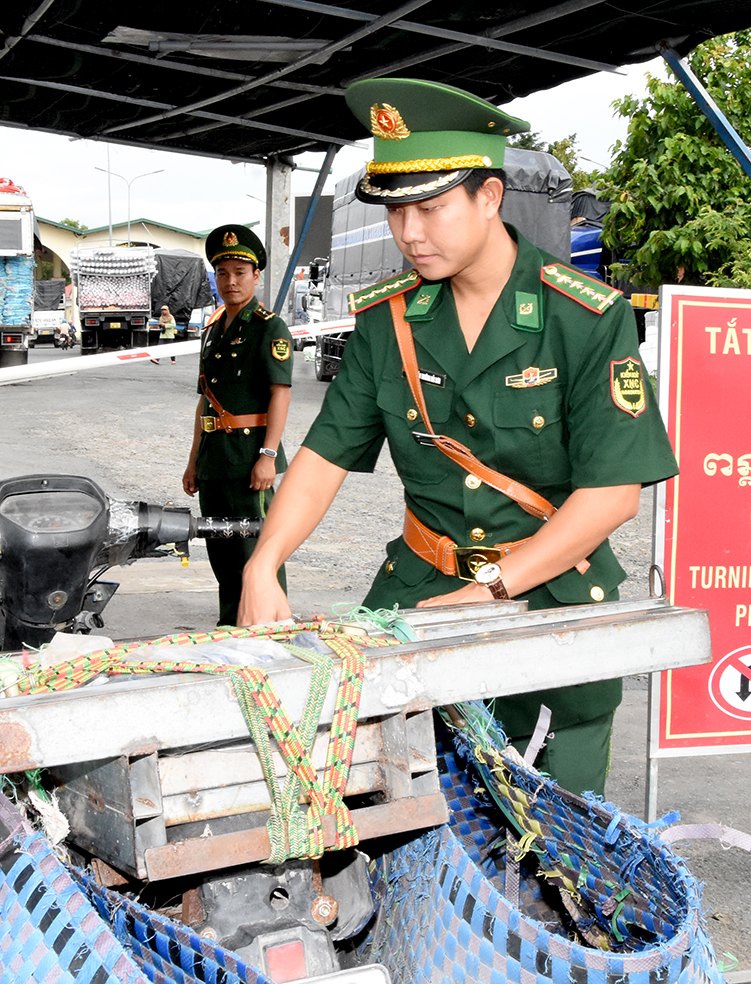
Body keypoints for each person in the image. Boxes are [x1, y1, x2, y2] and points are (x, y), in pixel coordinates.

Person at [237, 79, 678, 797]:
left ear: (490, 198)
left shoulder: (583, 317)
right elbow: (321, 459)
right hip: (423, 590)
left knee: (550, 847)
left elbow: (612, 495)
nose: (410, 233)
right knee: (396, 812)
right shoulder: (391, 320)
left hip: (550, 598)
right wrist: (265, 563)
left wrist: (496, 584)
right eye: (395, 213)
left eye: (431, 207)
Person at [182, 224, 293, 626]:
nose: (230, 282)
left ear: (256, 276)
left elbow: (281, 393)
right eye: (223, 273)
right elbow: (204, 401)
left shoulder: (269, 327)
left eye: (240, 273)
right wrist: (193, 461)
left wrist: (267, 455)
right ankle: (231, 624)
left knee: (255, 549)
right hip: (215, 462)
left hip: (250, 460)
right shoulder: (211, 332)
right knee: (221, 551)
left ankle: (268, 626)